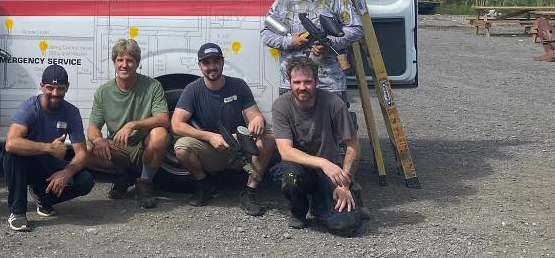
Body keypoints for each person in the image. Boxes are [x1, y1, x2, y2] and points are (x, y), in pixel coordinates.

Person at [170, 42, 275, 214]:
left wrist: (257, 120)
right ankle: (204, 184)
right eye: (206, 63)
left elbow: (254, 114)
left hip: (239, 146)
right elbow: (176, 124)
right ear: (200, 66)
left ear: (222, 63)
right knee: (181, 148)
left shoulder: (238, 85)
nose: (212, 67)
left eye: (215, 61)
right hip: (211, 148)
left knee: (269, 139)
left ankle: (249, 192)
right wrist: (209, 137)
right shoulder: (192, 90)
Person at [270, 57, 362, 235]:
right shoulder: (281, 106)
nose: (302, 87)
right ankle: (299, 211)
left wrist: (344, 183)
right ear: (289, 82)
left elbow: (353, 145)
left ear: (317, 82)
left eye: (307, 82)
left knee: (347, 225)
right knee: (290, 175)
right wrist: (322, 162)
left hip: (331, 173)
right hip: (299, 168)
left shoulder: (334, 104)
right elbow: (285, 152)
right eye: (296, 82)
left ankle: (324, 207)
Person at [261, 0, 363, 101]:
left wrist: (329, 43)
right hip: (292, 84)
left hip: (328, 84)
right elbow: (265, 33)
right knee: (293, 125)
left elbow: (356, 29)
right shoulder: (284, 0)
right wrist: (290, 41)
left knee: (331, 125)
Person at [2, 65, 95, 232]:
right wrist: (48, 148)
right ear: (42, 86)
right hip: (27, 162)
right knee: (11, 154)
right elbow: (11, 143)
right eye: (50, 88)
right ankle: (17, 212)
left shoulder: (71, 112)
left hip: (48, 165)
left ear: (67, 88)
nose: (54, 93)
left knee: (85, 180)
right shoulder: (30, 107)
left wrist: (66, 173)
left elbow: (82, 154)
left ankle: (43, 198)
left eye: (60, 88)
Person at [86, 38, 169, 208]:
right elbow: (93, 127)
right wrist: (98, 140)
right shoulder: (103, 92)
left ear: (137, 63)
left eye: (130, 60)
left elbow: (163, 119)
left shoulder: (153, 86)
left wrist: (132, 125)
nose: (124, 65)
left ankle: (145, 183)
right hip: (118, 146)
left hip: (143, 147)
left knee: (160, 134)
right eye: (120, 60)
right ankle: (121, 176)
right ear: (114, 63)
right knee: (85, 149)